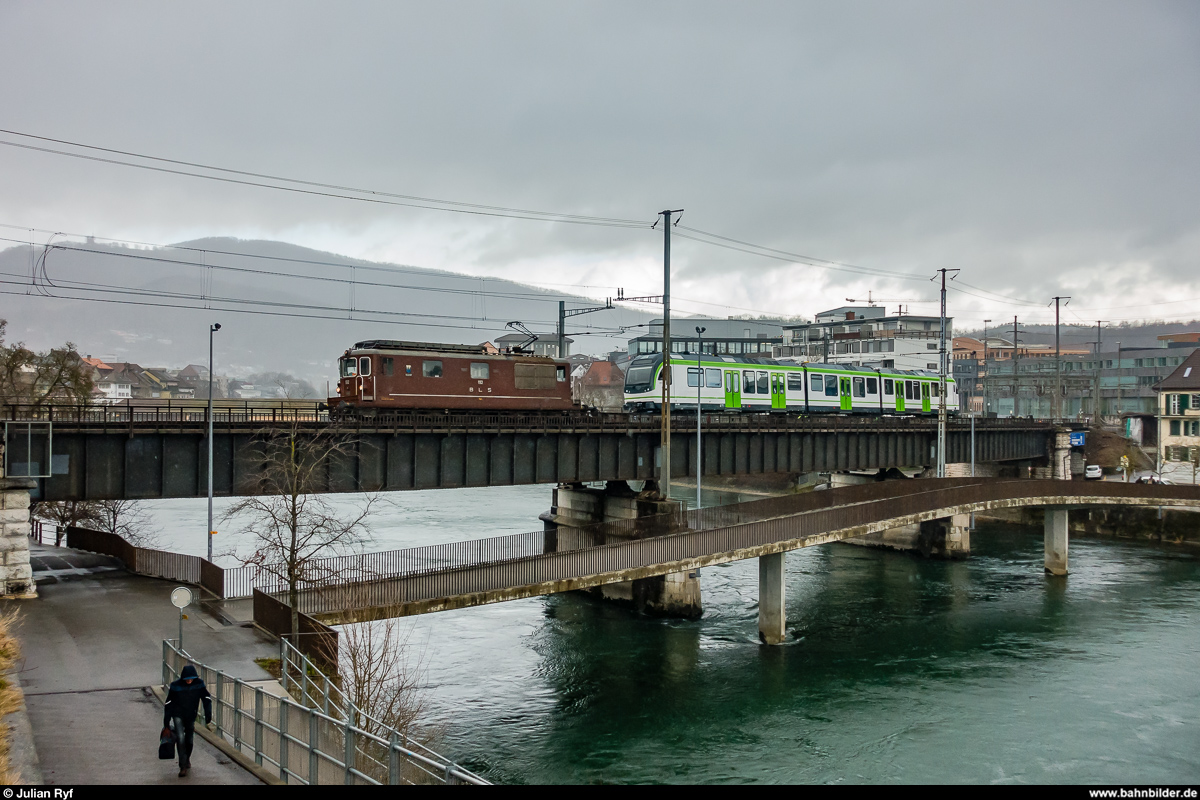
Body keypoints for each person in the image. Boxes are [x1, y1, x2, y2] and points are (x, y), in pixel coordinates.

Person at [163, 664, 215, 777]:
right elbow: (169, 703)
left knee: (189, 740)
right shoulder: (175, 686)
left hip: (191, 715)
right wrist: (166, 721)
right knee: (180, 738)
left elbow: (206, 698)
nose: (189, 681)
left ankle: (186, 759)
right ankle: (182, 766)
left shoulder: (199, 684)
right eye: (187, 679)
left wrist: (208, 714)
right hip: (177, 715)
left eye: (191, 678)